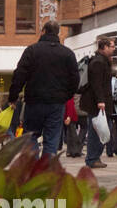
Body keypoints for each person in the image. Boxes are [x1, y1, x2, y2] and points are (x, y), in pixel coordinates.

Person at [6, 20, 80, 158]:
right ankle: (47, 169)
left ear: (43, 31)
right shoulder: (67, 54)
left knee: (31, 135)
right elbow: (75, 79)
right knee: (52, 138)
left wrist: (13, 97)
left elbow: (19, 75)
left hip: (35, 101)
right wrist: (66, 96)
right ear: (57, 33)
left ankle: (33, 166)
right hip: (57, 102)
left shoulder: (32, 50)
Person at [80, 35, 117, 170]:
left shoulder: (102, 61)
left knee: (100, 130)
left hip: (101, 103)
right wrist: (100, 101)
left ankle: (94, 157)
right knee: (98, 131)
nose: (114, 49)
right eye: (112, 46)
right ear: (104, 47)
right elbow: (97, 84)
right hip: (97, 104)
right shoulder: (98, 62)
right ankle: (92, 158)